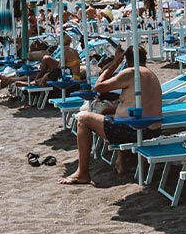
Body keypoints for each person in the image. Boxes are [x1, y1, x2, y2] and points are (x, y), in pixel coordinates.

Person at [60, 45, 161, 186]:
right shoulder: (150, 74)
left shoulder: (131, 72)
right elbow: (136, 105)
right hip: (152, 129)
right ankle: (121, 163)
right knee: (112, 115)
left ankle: (82, 173)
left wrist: (115, 63)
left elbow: (98, 86)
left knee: (83, 118)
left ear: (127, 60)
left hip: (134, 131)